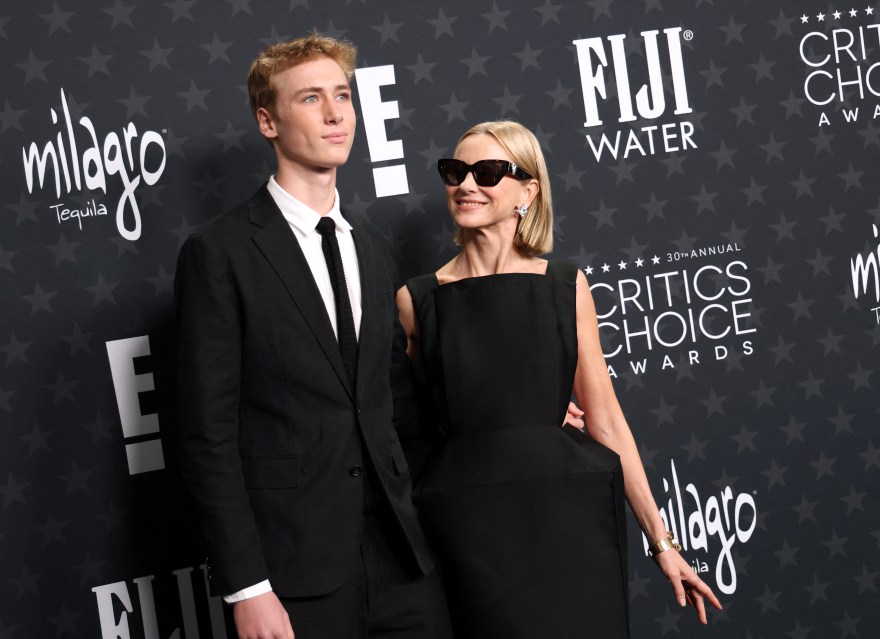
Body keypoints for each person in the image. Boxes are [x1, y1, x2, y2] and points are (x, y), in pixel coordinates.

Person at [396, 120, 721, 638]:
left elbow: (606, 419)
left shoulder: (565, 286)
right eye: (455, 171)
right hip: (467, 528)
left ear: (529, 189)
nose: (466, 184)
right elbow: (408, 424)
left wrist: (662, 542)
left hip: (568, 522)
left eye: (488, 171)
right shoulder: (417, 300)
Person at [175, 33, 451, 639]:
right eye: (311, 99)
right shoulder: (218, 254)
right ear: (267, 120)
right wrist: (248, 587)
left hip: (403, 563)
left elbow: (399, 410)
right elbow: (206, 435)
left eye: (343, 96)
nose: (335, 114)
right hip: (292, 574)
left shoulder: (374, 249)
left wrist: (519, 413)